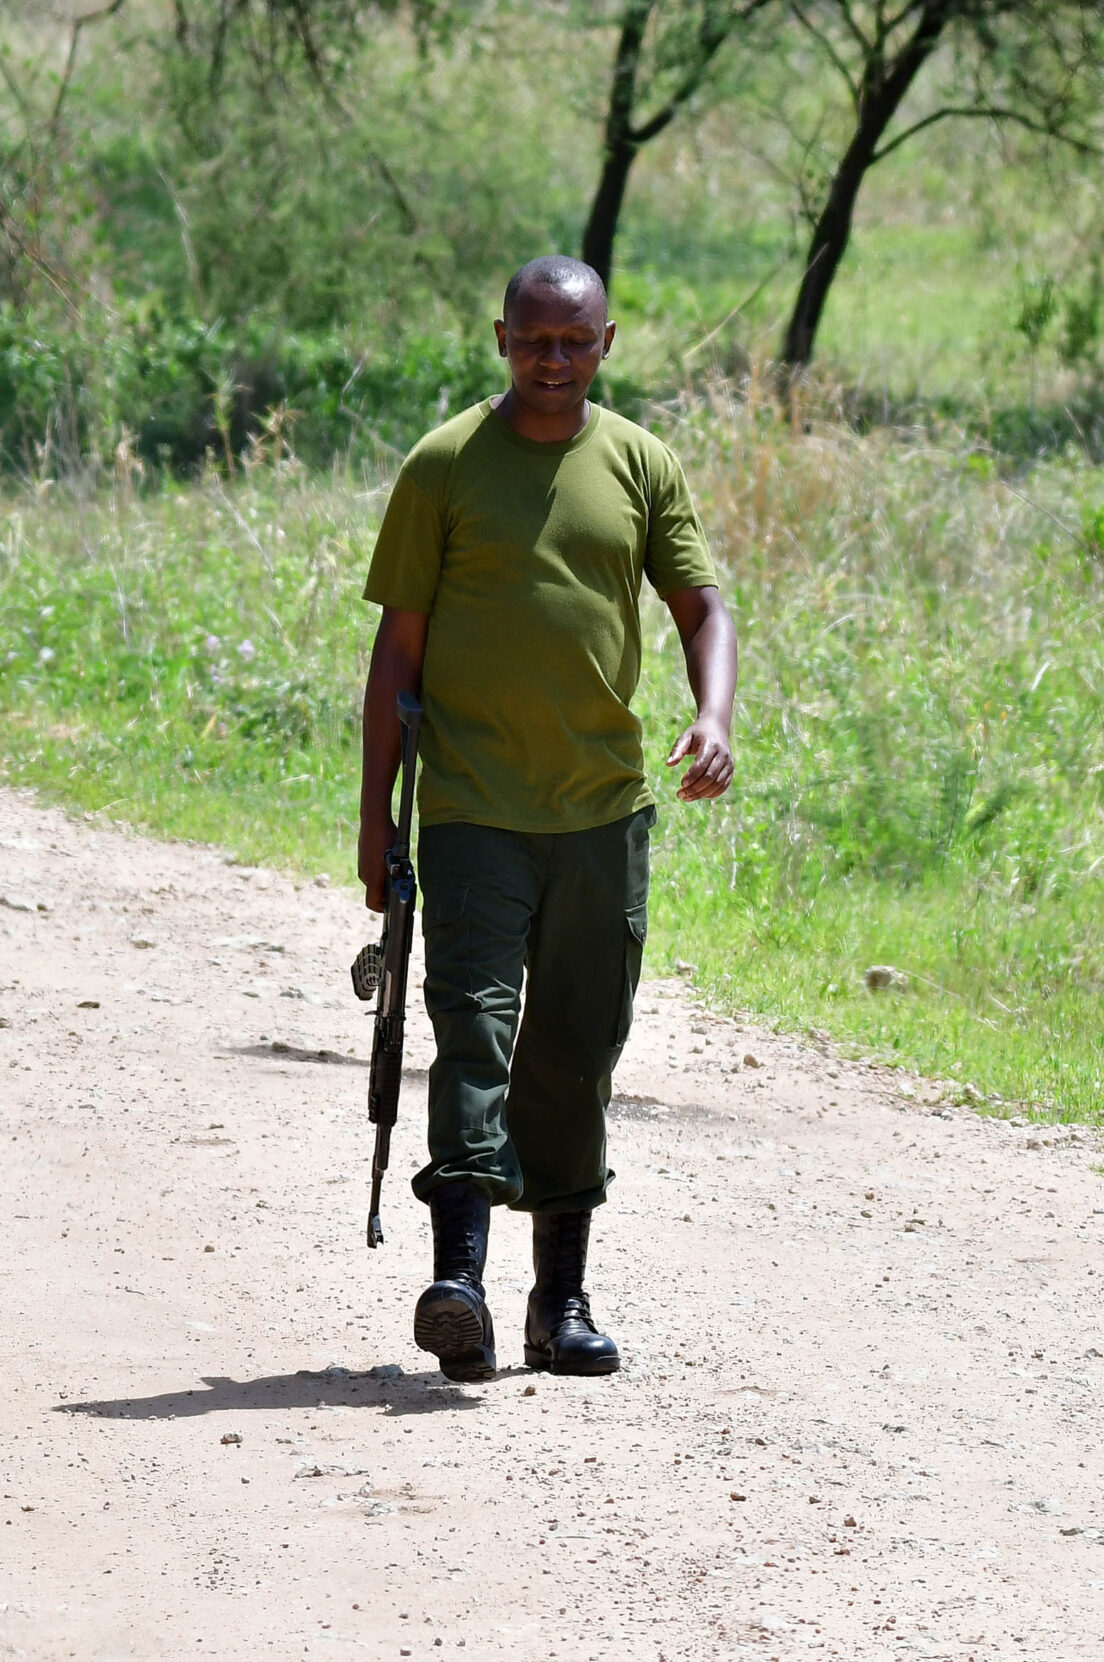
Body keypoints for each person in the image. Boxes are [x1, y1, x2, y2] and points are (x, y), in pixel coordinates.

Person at [357, 256, 739, 1385]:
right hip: (472, 810)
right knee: (472, 1035)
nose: (554, 360)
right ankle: (459, 1287)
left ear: (606, 342)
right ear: (500, 339)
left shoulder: (639, 463)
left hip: (601, 813)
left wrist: (713, 715)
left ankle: (558, 1303)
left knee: (575, 1052)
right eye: (534, 340)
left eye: (575, 342)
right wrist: (377, 819)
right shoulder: (444, 464)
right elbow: (397, 653)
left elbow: (702, 606)